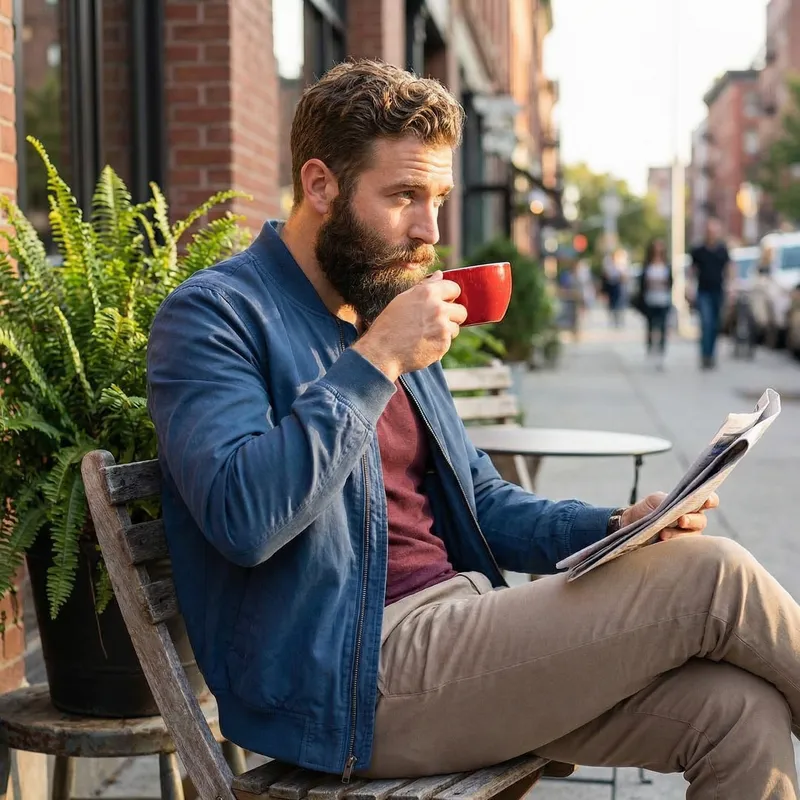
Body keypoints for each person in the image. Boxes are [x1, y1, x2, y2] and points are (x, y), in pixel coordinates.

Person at [147, 61, 800, 799]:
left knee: (740, 713)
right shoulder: (216, 317)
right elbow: (244, 518)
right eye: (403, 197)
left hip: (462, 630)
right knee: (714, 576)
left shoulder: (382, 300)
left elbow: (482, 502)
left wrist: (617, 525)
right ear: (321, 185)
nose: (429, 231)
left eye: (438, 198)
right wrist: (378, 359)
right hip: (349, 676)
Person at [690, 218, 732, 370]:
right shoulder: (698, 250)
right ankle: (705, 355)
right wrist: (689, 288)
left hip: (718, 291)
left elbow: (729, 268)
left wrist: (731, 286)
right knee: (706, 323)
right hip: (703, 291)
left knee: (715, 325)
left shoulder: (722, 250)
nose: (712, 234)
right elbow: (692, 270)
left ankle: (712, 354)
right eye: (709, 231)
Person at [637, 238, 673, 370]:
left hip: (663, 300)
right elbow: (642, 283)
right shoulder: (648, 265)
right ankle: (650, 347)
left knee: (663, 326)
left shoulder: (666, 265)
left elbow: (670, 282)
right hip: (650, 300)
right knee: (651, 326)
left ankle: (661, 351)